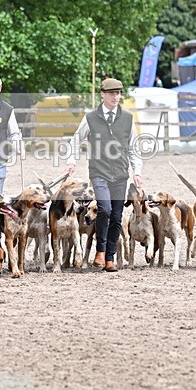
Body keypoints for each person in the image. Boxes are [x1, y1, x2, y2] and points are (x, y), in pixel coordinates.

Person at [66, 77, 143, 272]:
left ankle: (109, 258)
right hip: (99, 172)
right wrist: (71, 159)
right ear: (103, 95)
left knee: (117, 216)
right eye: (111, 93)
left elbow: (133, 148)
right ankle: (100, 250)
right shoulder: (91, 118)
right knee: (105, 209)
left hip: (120, 173)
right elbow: (76, 139)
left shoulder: (127, 119)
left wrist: (137, 171)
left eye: (118, 93)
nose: (115, 97)